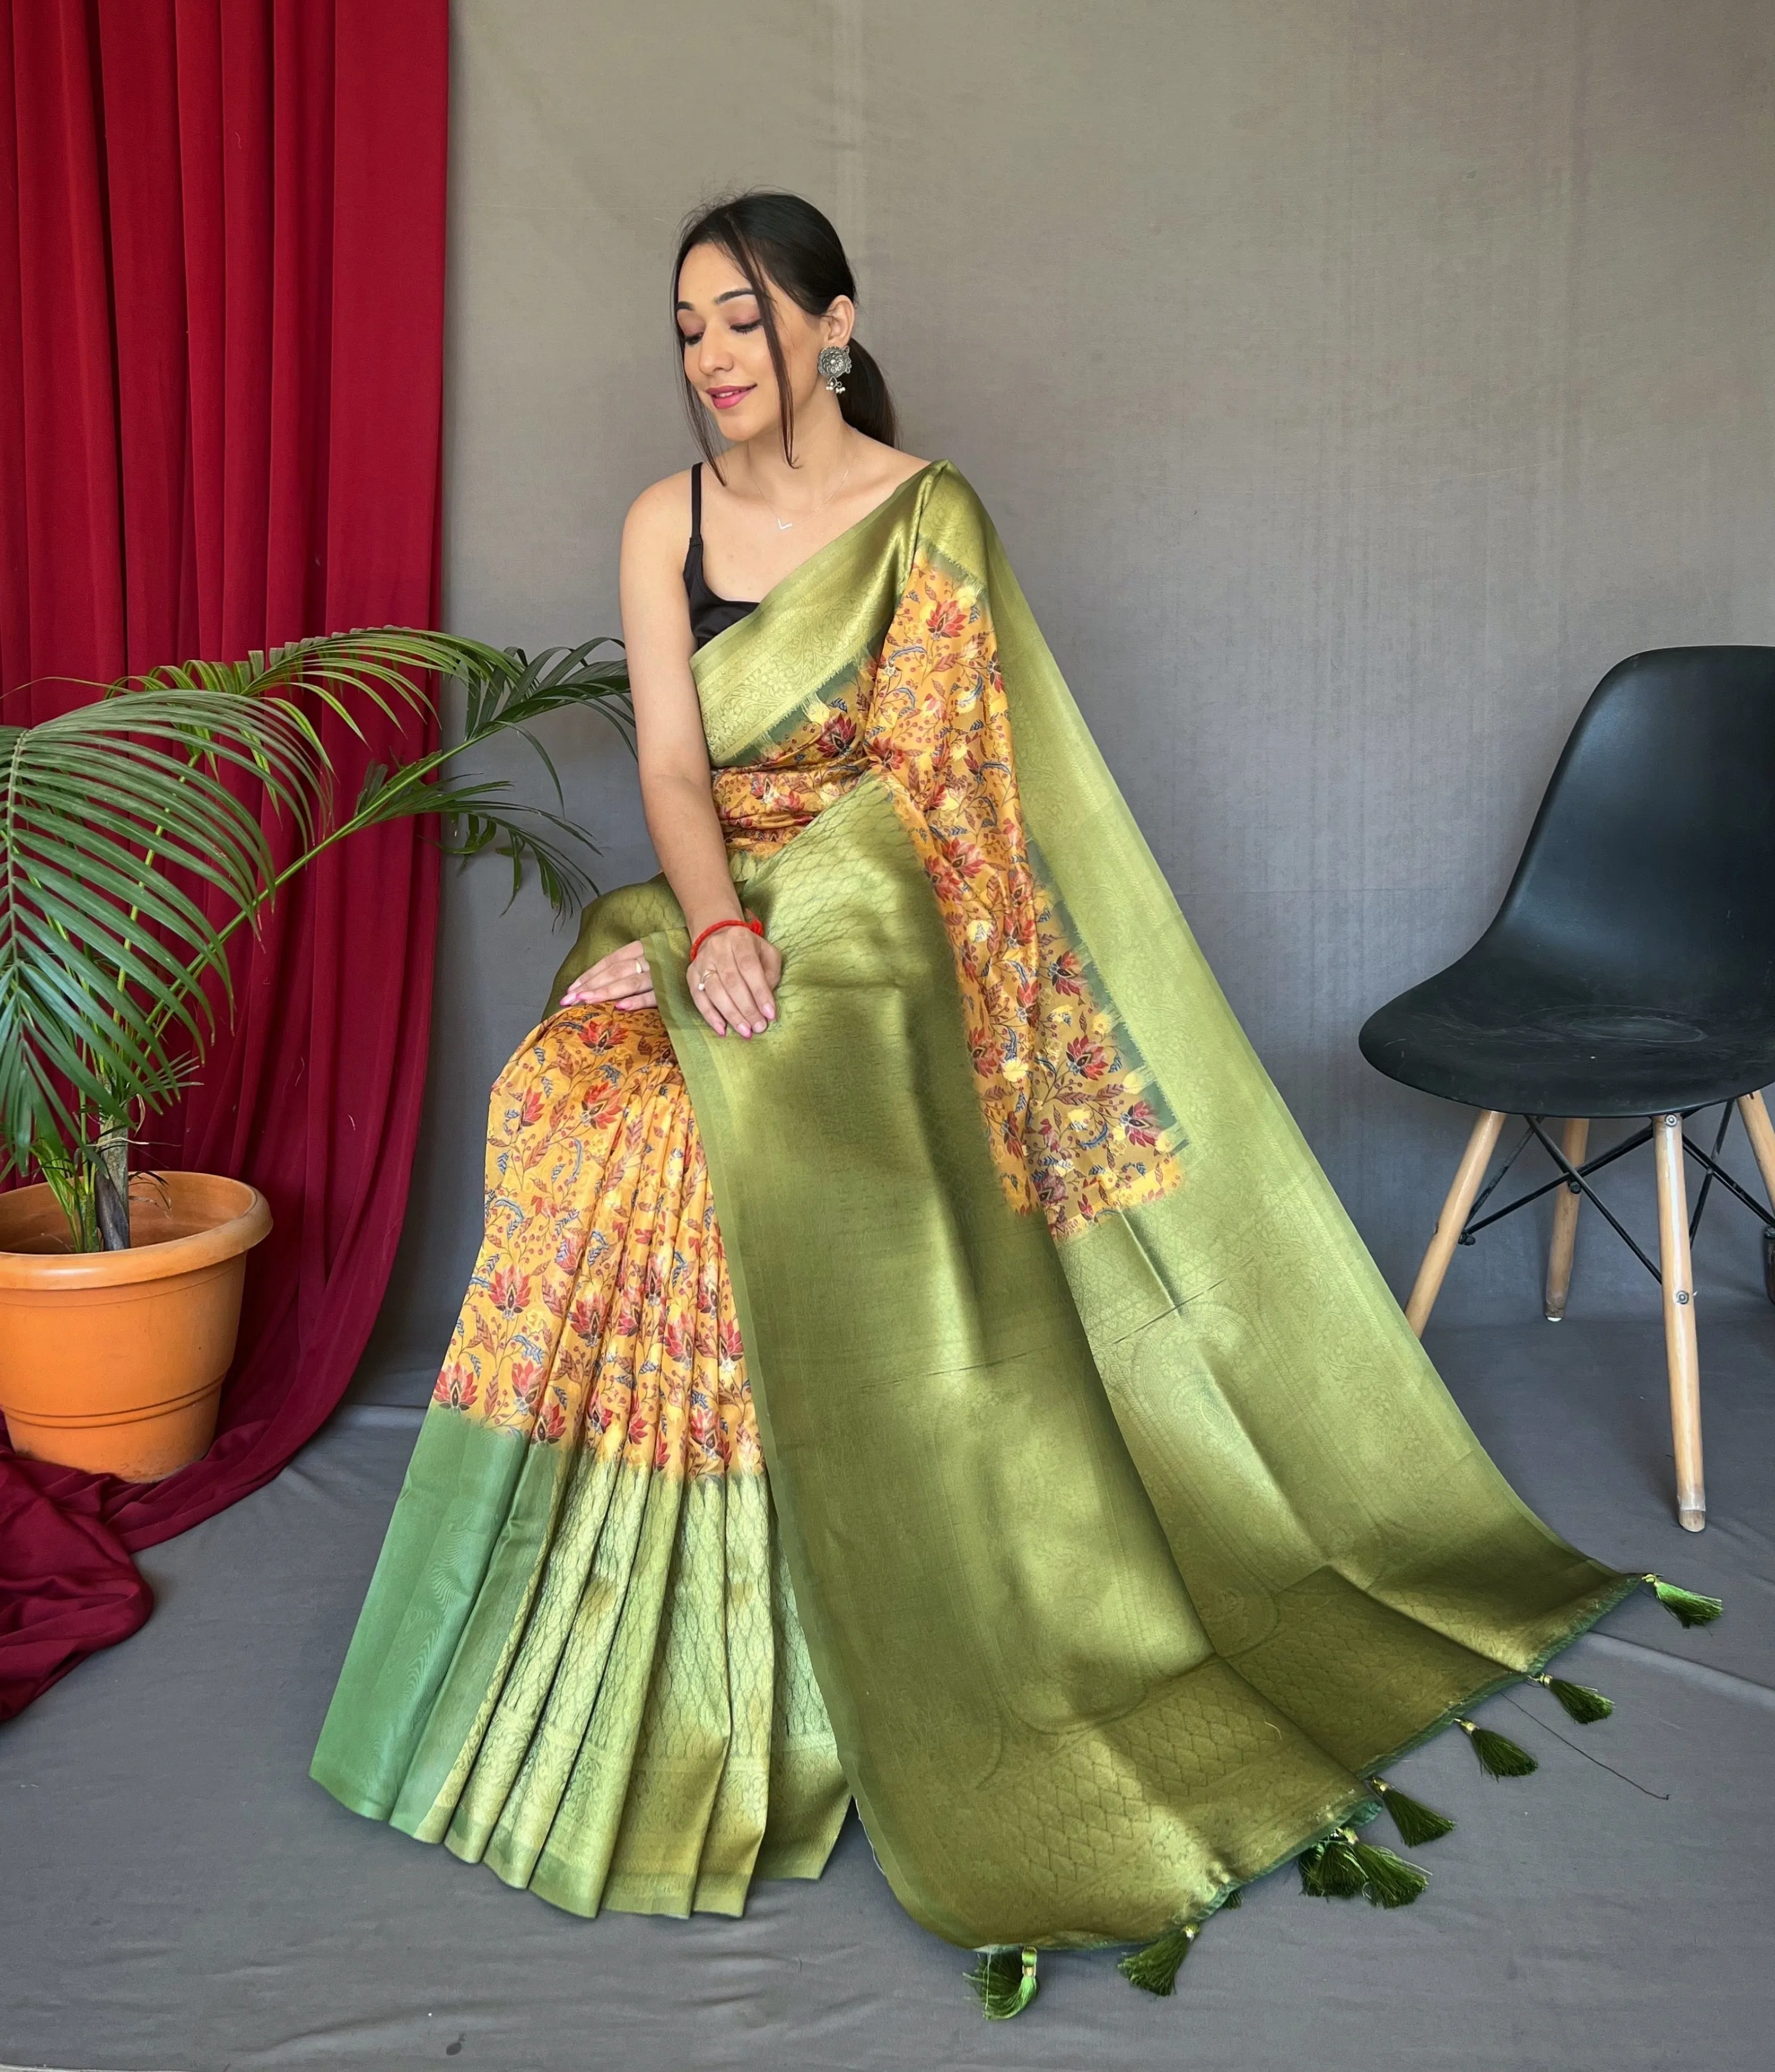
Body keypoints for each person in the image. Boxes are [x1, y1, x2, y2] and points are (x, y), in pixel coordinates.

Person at [312, 192, 1693, 2019]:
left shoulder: (928, 516)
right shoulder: (669, 522)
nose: (714, 358)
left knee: (742, 1131)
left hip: (884, 922)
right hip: (716, 895)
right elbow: (664, 754)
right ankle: (584, 1665)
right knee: (592, 1116)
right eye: (687, 330)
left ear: (832, 323)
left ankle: (837, 1684)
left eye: (744, 319)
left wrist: (769, 938)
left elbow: (927, 803)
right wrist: (701, 926)